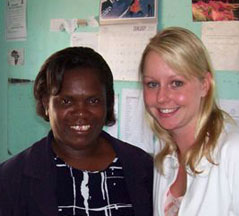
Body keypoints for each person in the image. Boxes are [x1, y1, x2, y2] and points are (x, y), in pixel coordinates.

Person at [0, 47, 153, 216]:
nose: (81, 112)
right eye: (66, 101)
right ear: (46, 104)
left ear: (108, 103)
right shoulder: (10, 178)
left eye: (93, 100)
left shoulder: (144, 167)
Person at [139, 27, 239, 216]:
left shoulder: (238, 151)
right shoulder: (164, 153)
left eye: (176, 83)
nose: (161, 97)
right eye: (152, 84)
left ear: (204, 84)